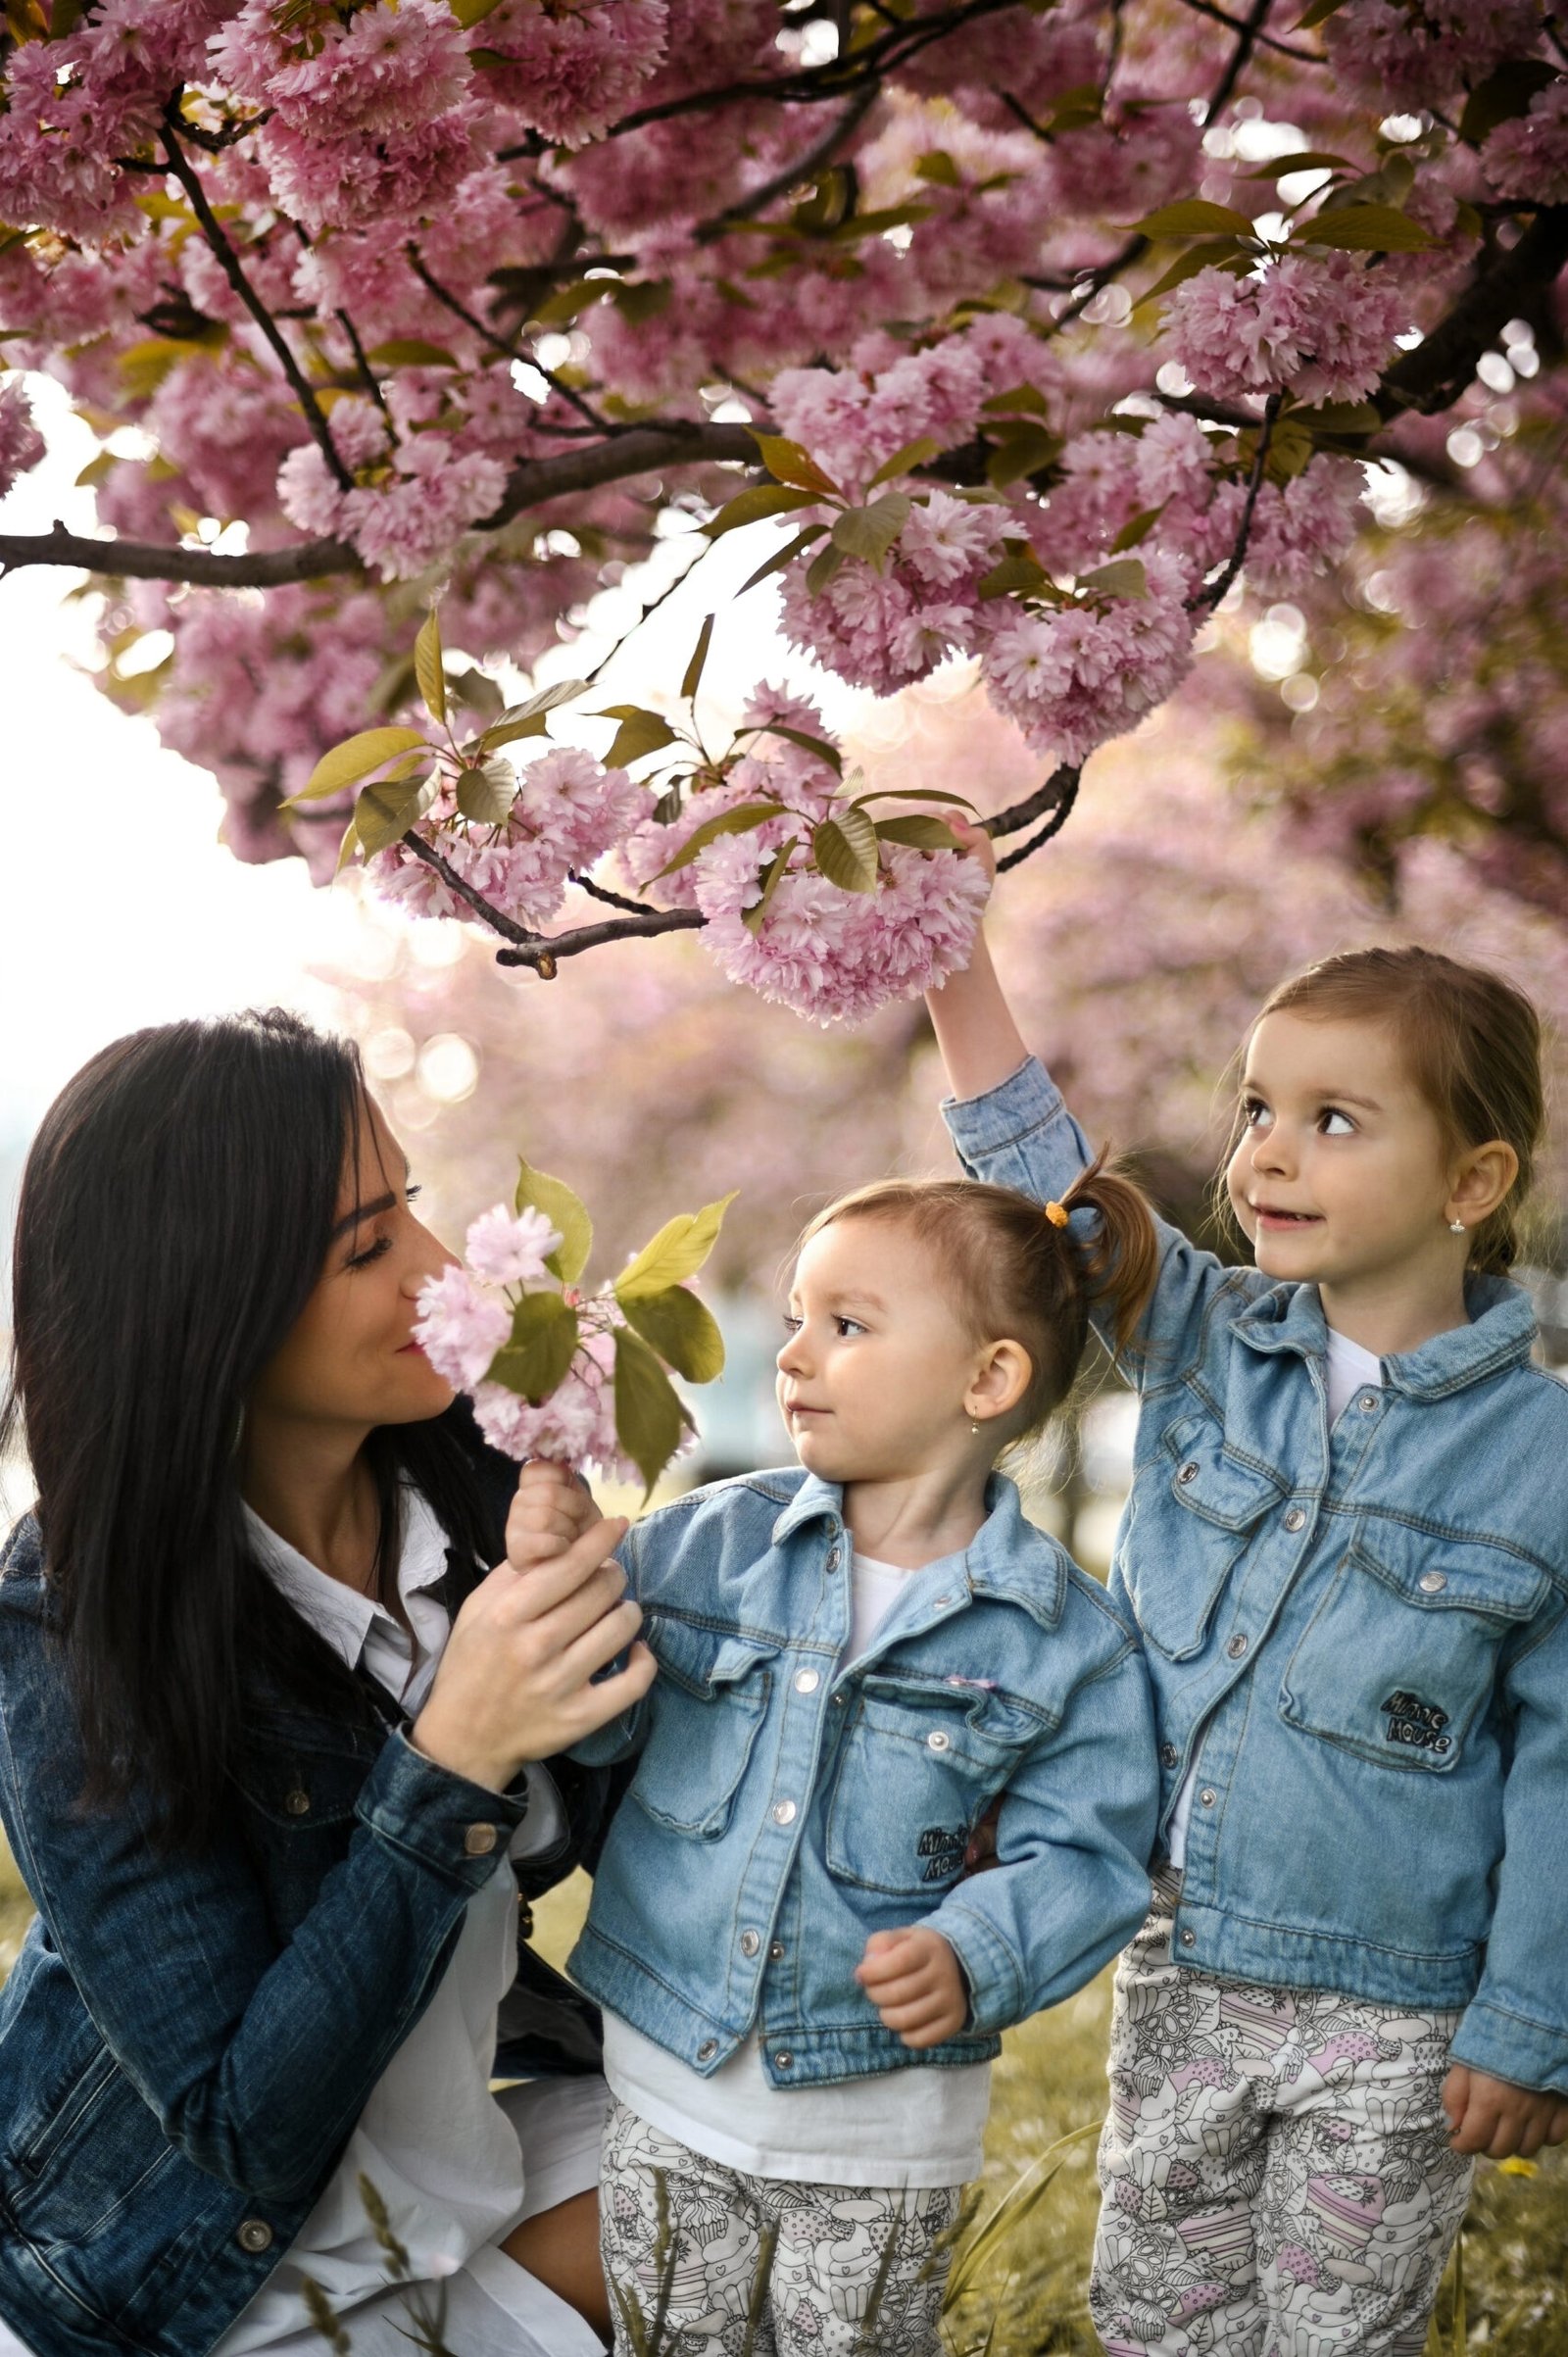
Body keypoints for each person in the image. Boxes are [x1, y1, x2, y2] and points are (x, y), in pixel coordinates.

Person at [924, 819, 1568, 2357]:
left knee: (1337, 2336)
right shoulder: (1212, 1341)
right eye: (1260, 1108)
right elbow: (1043, 1189)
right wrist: (945, 948)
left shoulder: (1543, 1456)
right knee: (1162, 2321)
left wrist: (1531, 2014)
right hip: (1186, 1962)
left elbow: (1559, 1758)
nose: (1267, 1152)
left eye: (1337, 1120)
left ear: (1474, 1177)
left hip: (1398, 2008)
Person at [0, 1010, 654, 2357]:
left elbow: (607, 1803)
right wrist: (456, 1749)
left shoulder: (473, 1474)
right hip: (186, 2289)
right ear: (213, 1308)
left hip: (453, 2194)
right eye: (368, 1246)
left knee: (784, 2170)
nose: (437, 1268)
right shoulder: (71, 1627)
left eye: (411, 1206)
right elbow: (243, 2124)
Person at [515, 1164, 1165, 2355]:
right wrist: (566, 1590)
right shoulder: (703, 1549)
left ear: (987, 1378)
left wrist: (978, 1948)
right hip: (673, 2079)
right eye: (799, 1316)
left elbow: (1086, 1849)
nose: (795, 1351)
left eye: (847, 1324)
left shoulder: (1063, 1641)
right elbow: (598, 1731)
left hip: (880, 2122)